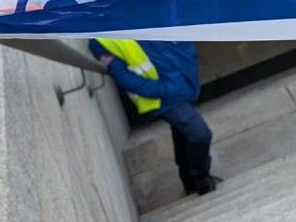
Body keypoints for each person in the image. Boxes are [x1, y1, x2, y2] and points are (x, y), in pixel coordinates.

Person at [90, 38, 220, 195]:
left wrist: (187, 74)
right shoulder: (102, 40)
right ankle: (201, 178)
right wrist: (163, 90)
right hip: (162, 96)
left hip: (184, 85)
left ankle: (189, 182)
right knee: (200, 134)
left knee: (182, 134)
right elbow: (122, 76)